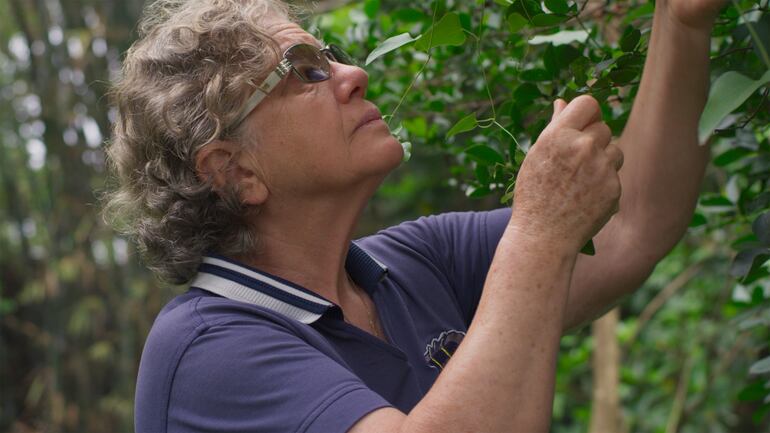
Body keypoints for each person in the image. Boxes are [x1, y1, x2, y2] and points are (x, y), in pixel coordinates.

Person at [104, 0, 725, 431]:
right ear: (234, 171)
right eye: (304, 74)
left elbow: (632, 225)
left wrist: (682, 23)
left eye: (331, 56)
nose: (355, 75)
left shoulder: (412, 262)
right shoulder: (209, 351)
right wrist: (540, 231)